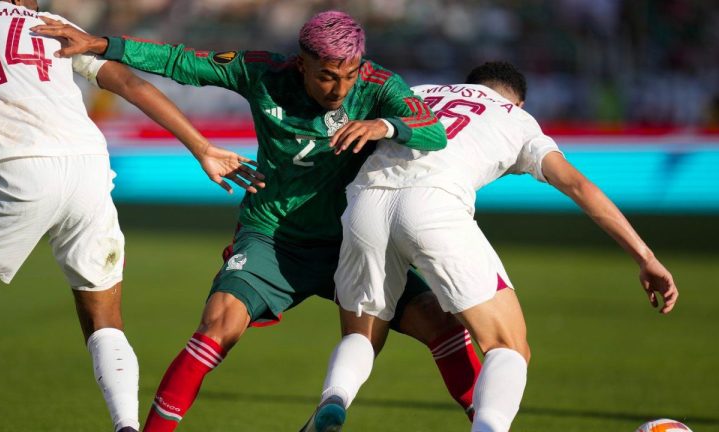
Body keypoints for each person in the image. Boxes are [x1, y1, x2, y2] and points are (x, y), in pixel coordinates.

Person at [32, 10, 486, 431]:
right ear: (301, 63)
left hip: (353, 241)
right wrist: (102, 44)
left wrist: (383, 126)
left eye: (348, 75)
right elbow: (181, 62)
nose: (339, 89)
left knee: (442, 326)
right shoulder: (263, 72)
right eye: (327, 76)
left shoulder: (380, 85)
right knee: (217, 325)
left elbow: (432, 131)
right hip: (273, 236)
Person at [300, 61, 680, 432]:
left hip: (364, 204)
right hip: (434, 205)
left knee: (362, 335)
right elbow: (579, 186)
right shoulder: (519, 120)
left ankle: (335, 398)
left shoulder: (420, 92)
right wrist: (645, 257)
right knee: (507, 345)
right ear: (519, 102)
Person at [0, 1, 263, 431]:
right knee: (104, 320)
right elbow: (127, 81)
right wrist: (201, 147)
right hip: (88, 166)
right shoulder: (55, 24)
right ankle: (127, 424)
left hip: (21, 164)